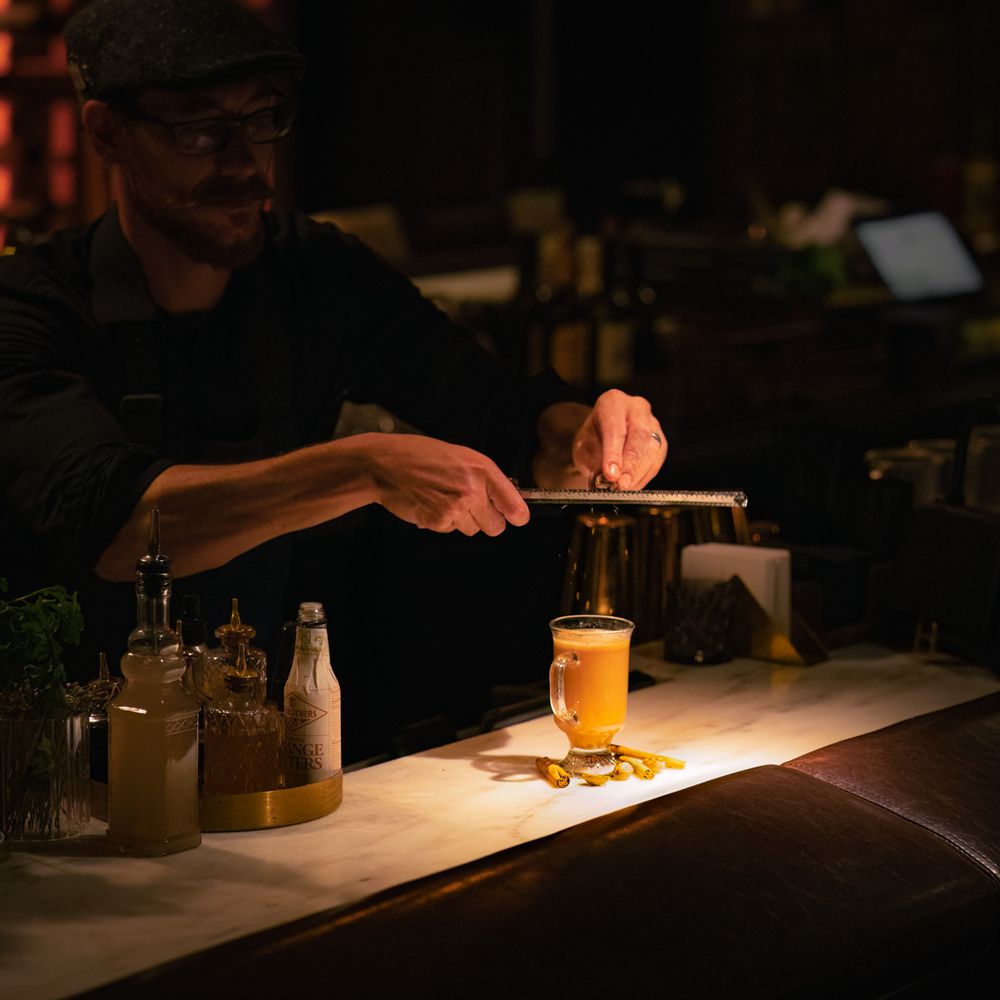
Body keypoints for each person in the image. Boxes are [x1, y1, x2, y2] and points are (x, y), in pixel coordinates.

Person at [0, 0, 666, 746]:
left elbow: (498, 409)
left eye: (262, 120)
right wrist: (360, 470)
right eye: (199, 128)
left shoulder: (317, 276)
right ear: (106, 133)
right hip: (71, 771)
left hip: (262, 741)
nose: (244, 162)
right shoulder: (32, 306)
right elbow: (117, 526)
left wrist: (580, 434)